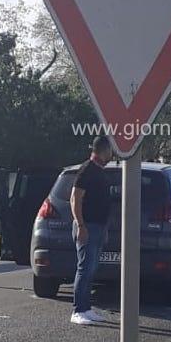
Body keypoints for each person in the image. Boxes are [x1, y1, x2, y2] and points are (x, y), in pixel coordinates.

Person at [69, 136, 114, 326]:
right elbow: (75, 198)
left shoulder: (100, 171)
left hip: (98, 226)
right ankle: (78, 310)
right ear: (104, 150)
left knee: (92, 268)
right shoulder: (87, 169)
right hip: (87, 226)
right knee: (84, 267)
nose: (112, 154)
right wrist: (81, 225)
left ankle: (87, 308)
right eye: (110, 150)